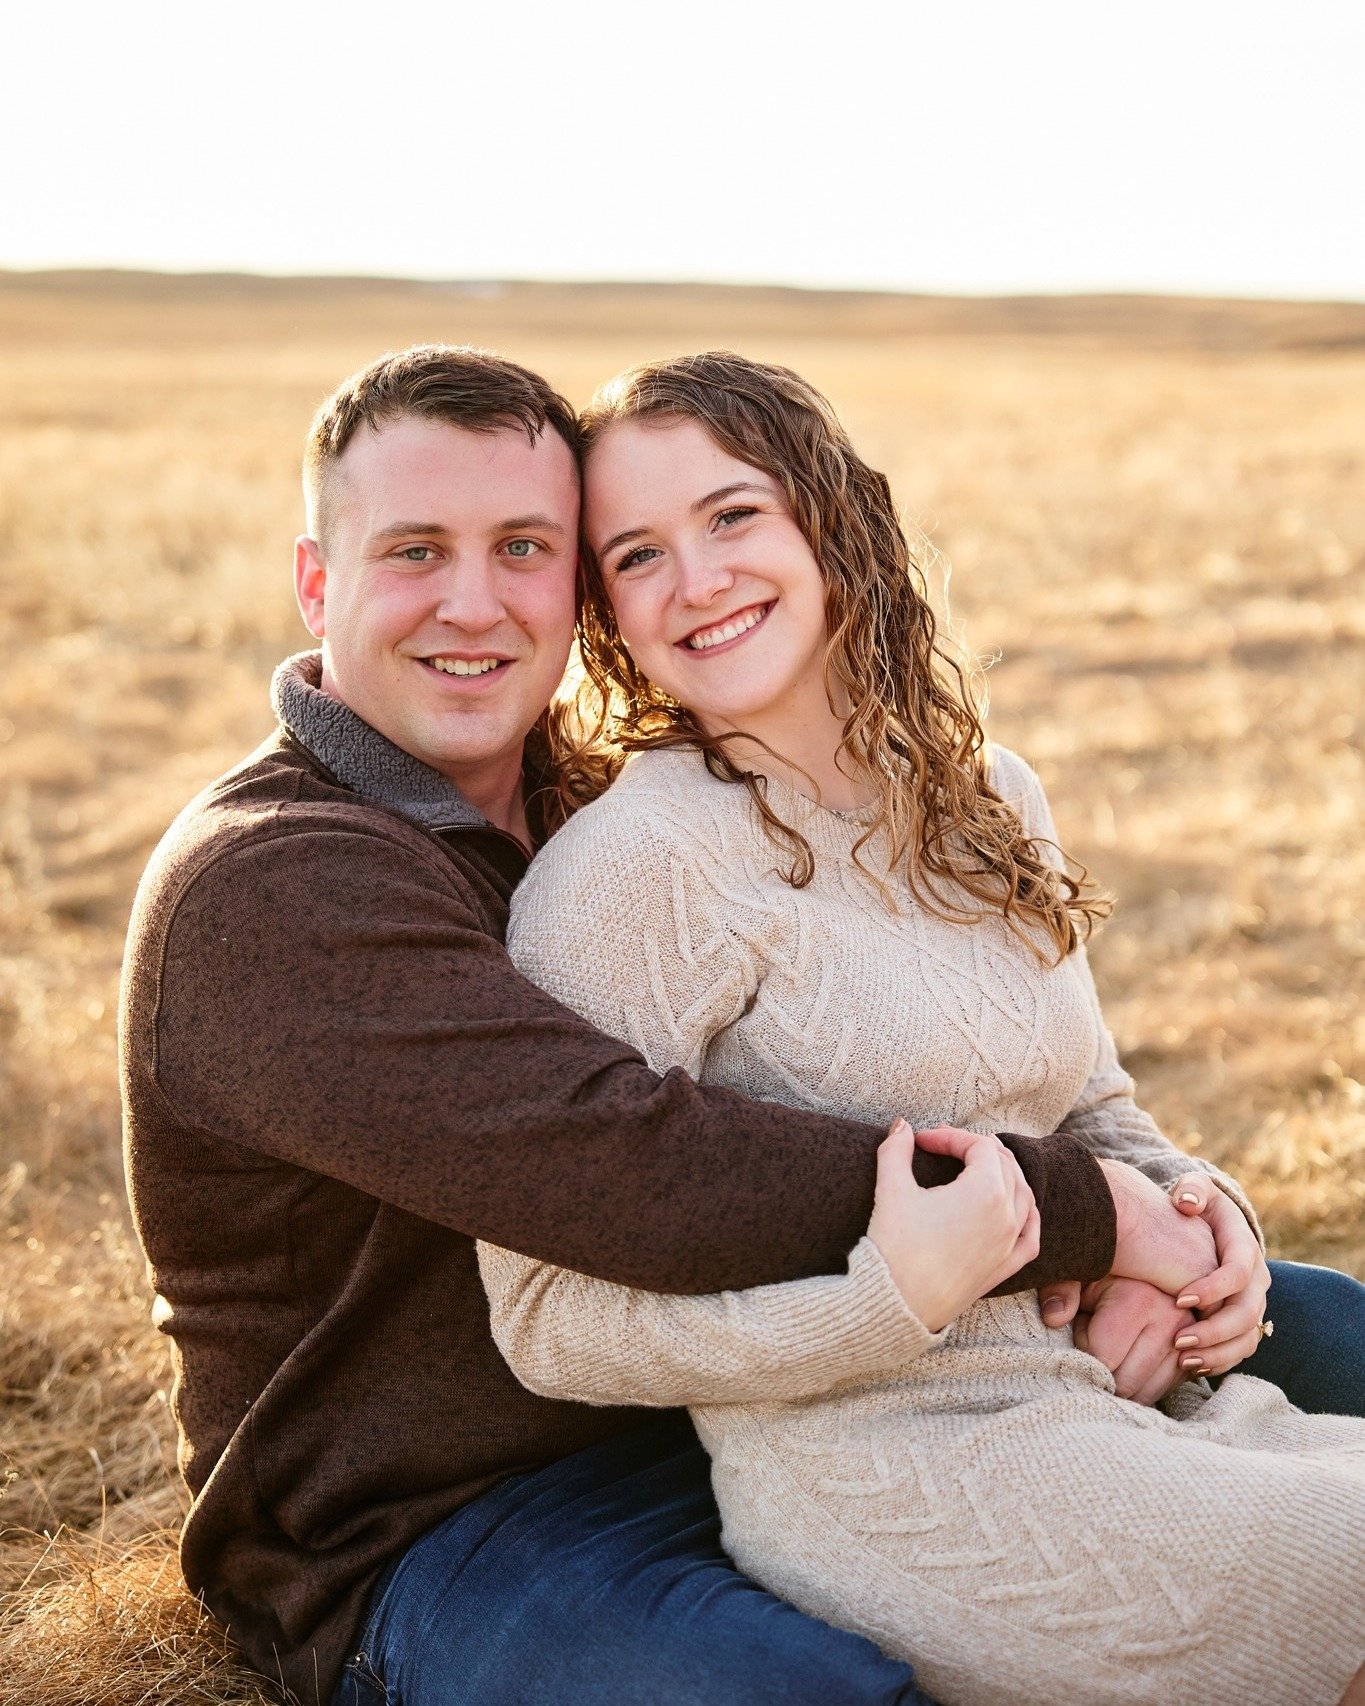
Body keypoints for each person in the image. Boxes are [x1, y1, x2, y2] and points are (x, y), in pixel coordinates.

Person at [118, 343, 1361, 1706]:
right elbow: (636, 1164)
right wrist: (1089, 1217)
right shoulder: (274, 884)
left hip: (783, 1381)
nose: (471, 602)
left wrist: (1185, 1214)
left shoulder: (586, 795)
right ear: (317, 581)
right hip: (446, 1507)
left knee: (1327, 1329)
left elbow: (1072, 1089)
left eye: (524, 547)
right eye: (414, 550)